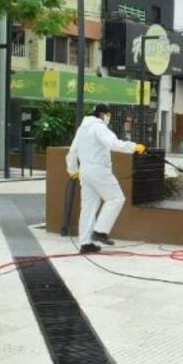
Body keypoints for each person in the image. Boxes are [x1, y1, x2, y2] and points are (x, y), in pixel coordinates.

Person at [66, 104, 145, 254]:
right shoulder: (98, 127)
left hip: (85, 171)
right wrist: (134, 147)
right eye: (108, 115)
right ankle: (100, 231)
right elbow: (113, 143)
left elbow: (72, 151)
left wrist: (73, 170)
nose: (108, 118)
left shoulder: (82, 129)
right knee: (116, 198)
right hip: (98, 170)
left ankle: (85, 243)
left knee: (88, 208)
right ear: (103, 114)